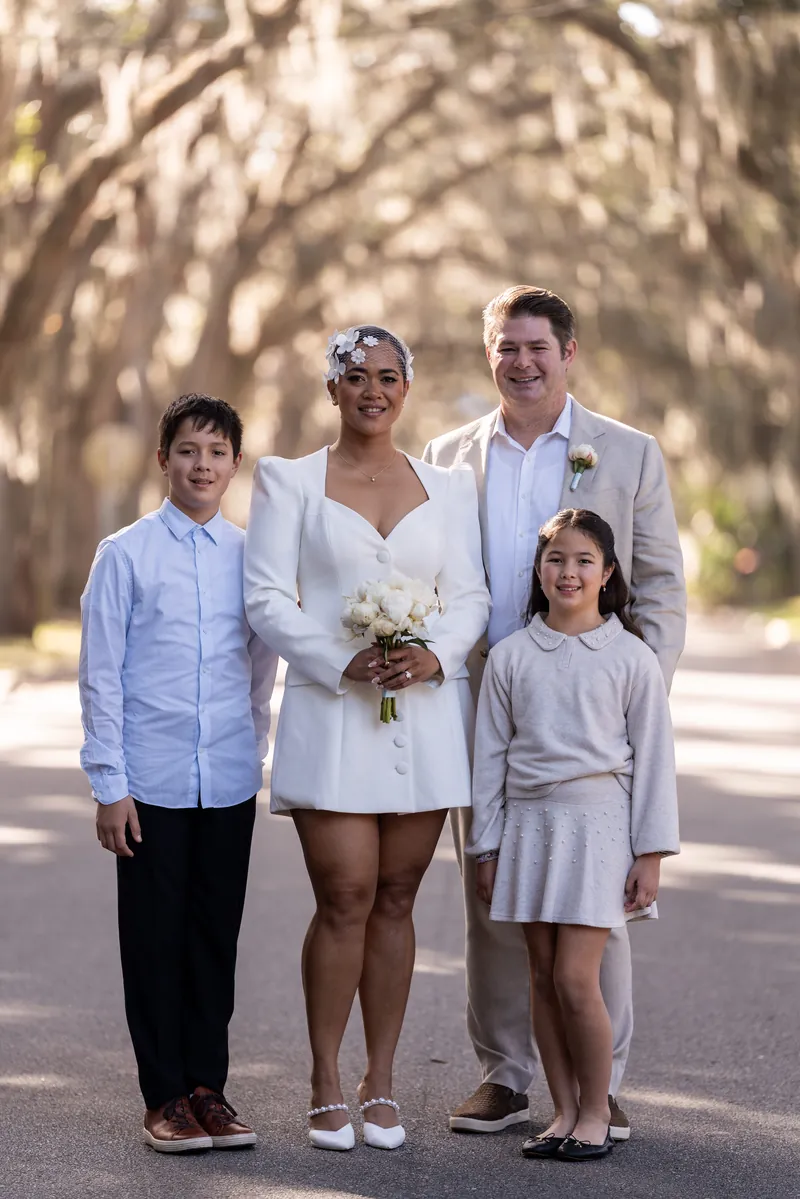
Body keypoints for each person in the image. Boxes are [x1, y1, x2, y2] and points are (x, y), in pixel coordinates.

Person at [423, 285, 686, 1140]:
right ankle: (504, 1072)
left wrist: (631, 686)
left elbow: (662, 593)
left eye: (538, 347)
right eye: (507, 347)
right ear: (488, 354)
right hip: (484, 697)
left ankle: (598, 1083)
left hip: (591, 711)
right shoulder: (447, 455)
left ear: (568, 354)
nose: (523, 362)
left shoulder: (629, 452)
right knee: (493, 890)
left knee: (594, 912)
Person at [243, 326, 490, 1152]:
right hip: (330, 714)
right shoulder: (288, 481)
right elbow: (269, 599)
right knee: (345, 893)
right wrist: (340, 658)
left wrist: (436, 653)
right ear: (333, 387)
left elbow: (471, 598)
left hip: (422, 719)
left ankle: (379, 1082)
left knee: (396, 897)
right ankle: (323, 1076)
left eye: (388, 376)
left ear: (406, 389)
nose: (372, 389)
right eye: (356, 376)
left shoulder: (450, 489)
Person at [79, 394, 278, 1153]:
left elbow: (260, 668)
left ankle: (208, 1090)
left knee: (212, 939)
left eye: (218, 452)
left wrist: (251, 753)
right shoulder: (124, 554)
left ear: (234, 464)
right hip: (151, 783)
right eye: (189, 449)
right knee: (154, 941)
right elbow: (101, 676)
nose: (203, 464)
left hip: (225, 779)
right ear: (163, 459)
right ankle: (163, 1095)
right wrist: (110, 784)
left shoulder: (249, 555)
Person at [468, 508, 680, 1161]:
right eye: (557, 557)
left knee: (575, 977)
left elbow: (653, 759)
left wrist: (650, 852)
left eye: (585, 559)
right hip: (528, 827)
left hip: (599, 826)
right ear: (539, 569)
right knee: (539, 973)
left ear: (608, 572)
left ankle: (595, 1108)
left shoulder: (631, 657)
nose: (569, 570)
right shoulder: (510, 656)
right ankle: (560, 1110)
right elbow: (491, 758)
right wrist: (487, 843)